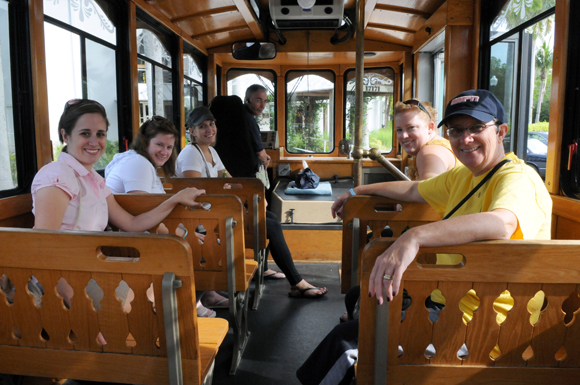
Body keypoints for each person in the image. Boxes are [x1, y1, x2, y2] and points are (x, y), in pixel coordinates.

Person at [300, 90, 552, 385]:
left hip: (489, 326)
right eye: (456, 130)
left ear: (501, 131)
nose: (465, 138)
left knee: (347, 344)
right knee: (364, 302)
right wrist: (358, 192)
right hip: (448, 300)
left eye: (476, 128)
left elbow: (503, 222)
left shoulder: (517, 178)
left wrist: (415, 237)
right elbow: (414, 190)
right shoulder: (465, 177)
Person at [177, 106, 328, 298]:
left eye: (212, 124)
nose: (209, 130)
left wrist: (254, 198)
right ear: (192, 131)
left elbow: (230, 182)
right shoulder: (191, 154)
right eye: (202, 126)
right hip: (201, 220)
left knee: (270, 217)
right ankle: (297, 282)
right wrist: (244, 205)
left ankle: (281, 275)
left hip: (215, 213)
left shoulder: (211, 152)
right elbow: (196, 195)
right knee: (269, 225)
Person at [338, 98, 456, 323]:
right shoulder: (432, 147)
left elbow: (426, 190)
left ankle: (371, 313)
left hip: (436, 242)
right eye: (399, 130)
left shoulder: (430, 153)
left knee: (373, 247)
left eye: (412, 128)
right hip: (434, 233)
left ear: (430, 128)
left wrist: (357, 191)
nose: (403, 136)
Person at [105, 115, 228, 318]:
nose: (165, 152)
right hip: (137, 241)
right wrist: (184, 234)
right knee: (212, 245)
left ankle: (198, 299)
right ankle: (191, 303)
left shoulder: (137, 161)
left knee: (208, 239)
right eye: (159, 145)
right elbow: (141, 214)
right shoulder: (139, 165)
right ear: (145, 142)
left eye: (169, 147)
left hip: (144, 235)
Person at [244, 84, 271, 188]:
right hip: (248, 174)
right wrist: (266, 159)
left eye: (265, 101)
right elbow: (260, 153)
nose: (263, 105)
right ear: (247, 100)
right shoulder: (249, 119)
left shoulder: (242, 115)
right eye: (259, 100)